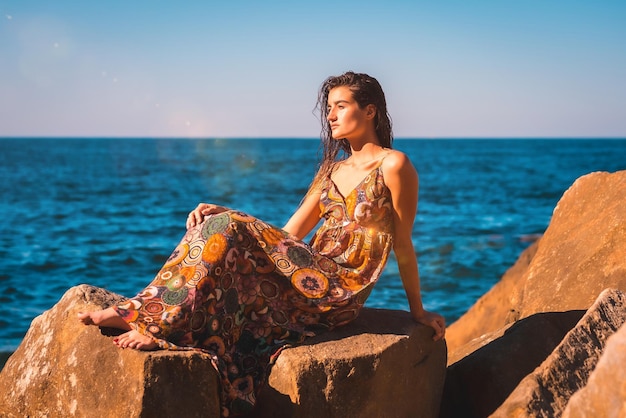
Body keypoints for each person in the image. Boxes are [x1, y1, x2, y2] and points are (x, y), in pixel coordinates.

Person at [78, 71, 446, 416]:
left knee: (229, 225)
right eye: (329, 107)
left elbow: (403, 244)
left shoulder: (394, 165)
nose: (331, 116)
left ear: (370, 110)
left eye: (341, 106)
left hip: (340, 289)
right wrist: (232, 217)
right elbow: (288, 238)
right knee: (218, 227)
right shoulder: (331, 171)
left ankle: (154, 322)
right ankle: (157, 315)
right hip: (309, 272)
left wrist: (418, 312)